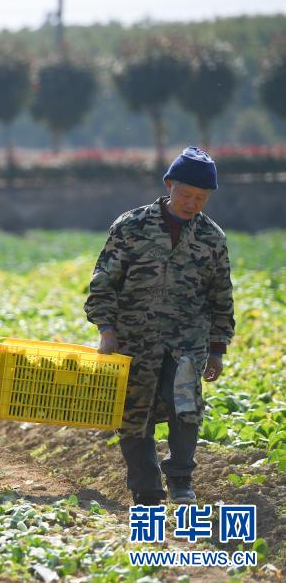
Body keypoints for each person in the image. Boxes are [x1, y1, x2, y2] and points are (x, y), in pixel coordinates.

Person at [84, 146, 235, 505]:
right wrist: (106, 328)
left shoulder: (212, 239)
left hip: (186, 342)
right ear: (169, 185)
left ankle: (181, 480)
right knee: (134, 415)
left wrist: (217, 349)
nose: (191, 203)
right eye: (185, 194)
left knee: (186, 406)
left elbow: (221, 296)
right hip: (134, 341)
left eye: (201, 198)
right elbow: (103, 282)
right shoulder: (131, 227)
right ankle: (146, 488)